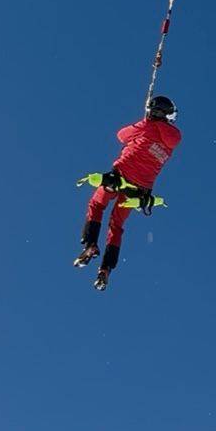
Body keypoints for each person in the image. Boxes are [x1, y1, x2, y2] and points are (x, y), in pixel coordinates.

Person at [74, 95, 182, 291]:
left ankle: (90, 245)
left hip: (119, 177)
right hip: (139, 191)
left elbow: (121, 136)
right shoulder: (174, 139)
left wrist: (144, 122)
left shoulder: (147, 126)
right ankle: (106, 268)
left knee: (97, 205)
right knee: (116, 225)